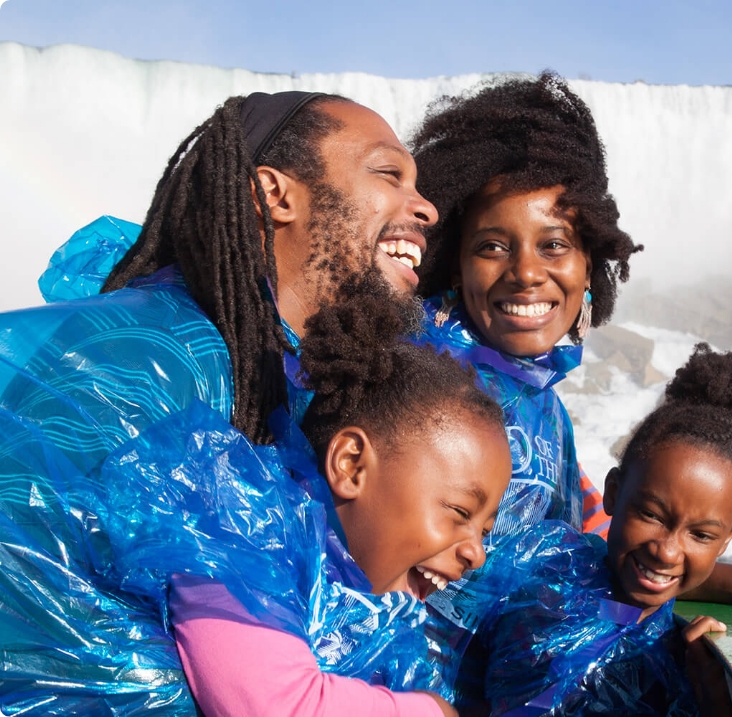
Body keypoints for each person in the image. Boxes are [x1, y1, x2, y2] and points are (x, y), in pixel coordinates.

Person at [0, 90, 438, 713]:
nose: (425, 208)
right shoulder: (161, 361)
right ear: (274, 194)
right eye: (389, 174)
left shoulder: (254, 367)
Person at [408, 72, 732, 703]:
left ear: (589, 265)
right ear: (453, 262)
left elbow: (596, 550)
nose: (527, 273)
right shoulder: (419, 389)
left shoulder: (544, 408)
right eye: (491, 246)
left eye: (555, 245)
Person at [98, 277, 512, 717]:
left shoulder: (371, 611)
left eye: (484, 530)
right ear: (351, 465)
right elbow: (276, 705)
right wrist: (431, 712)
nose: (477, 553)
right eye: (460, 512)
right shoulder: (243, 537)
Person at [476, 343, 732, 715]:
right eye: (651, 515)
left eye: (701, 535)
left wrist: (714, 696)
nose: (666, 551)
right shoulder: (545, 567)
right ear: (613, 493)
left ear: (729, 538)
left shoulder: (682, 659)